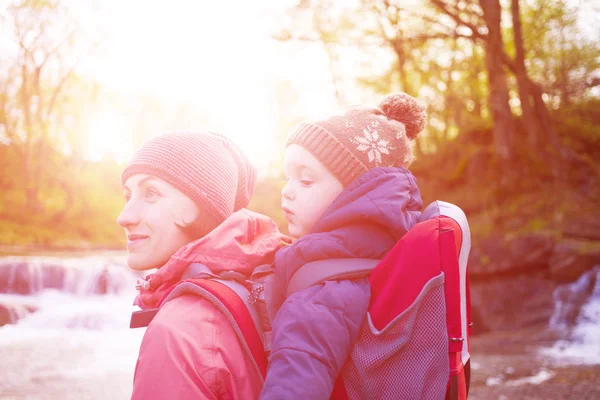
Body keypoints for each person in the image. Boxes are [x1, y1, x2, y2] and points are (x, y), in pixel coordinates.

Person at [261, 93, 428, 399]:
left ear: (354, 191)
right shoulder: (383, 250)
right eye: (288, 178)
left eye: (306, 181)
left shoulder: (320, 293)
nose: (286, 192)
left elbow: (295, 384)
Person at [117, 131, 287, 400]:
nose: (123, 217)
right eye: (128, 196)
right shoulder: (262, 282)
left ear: (201, 207)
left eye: (151, 193)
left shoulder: (178, 332)